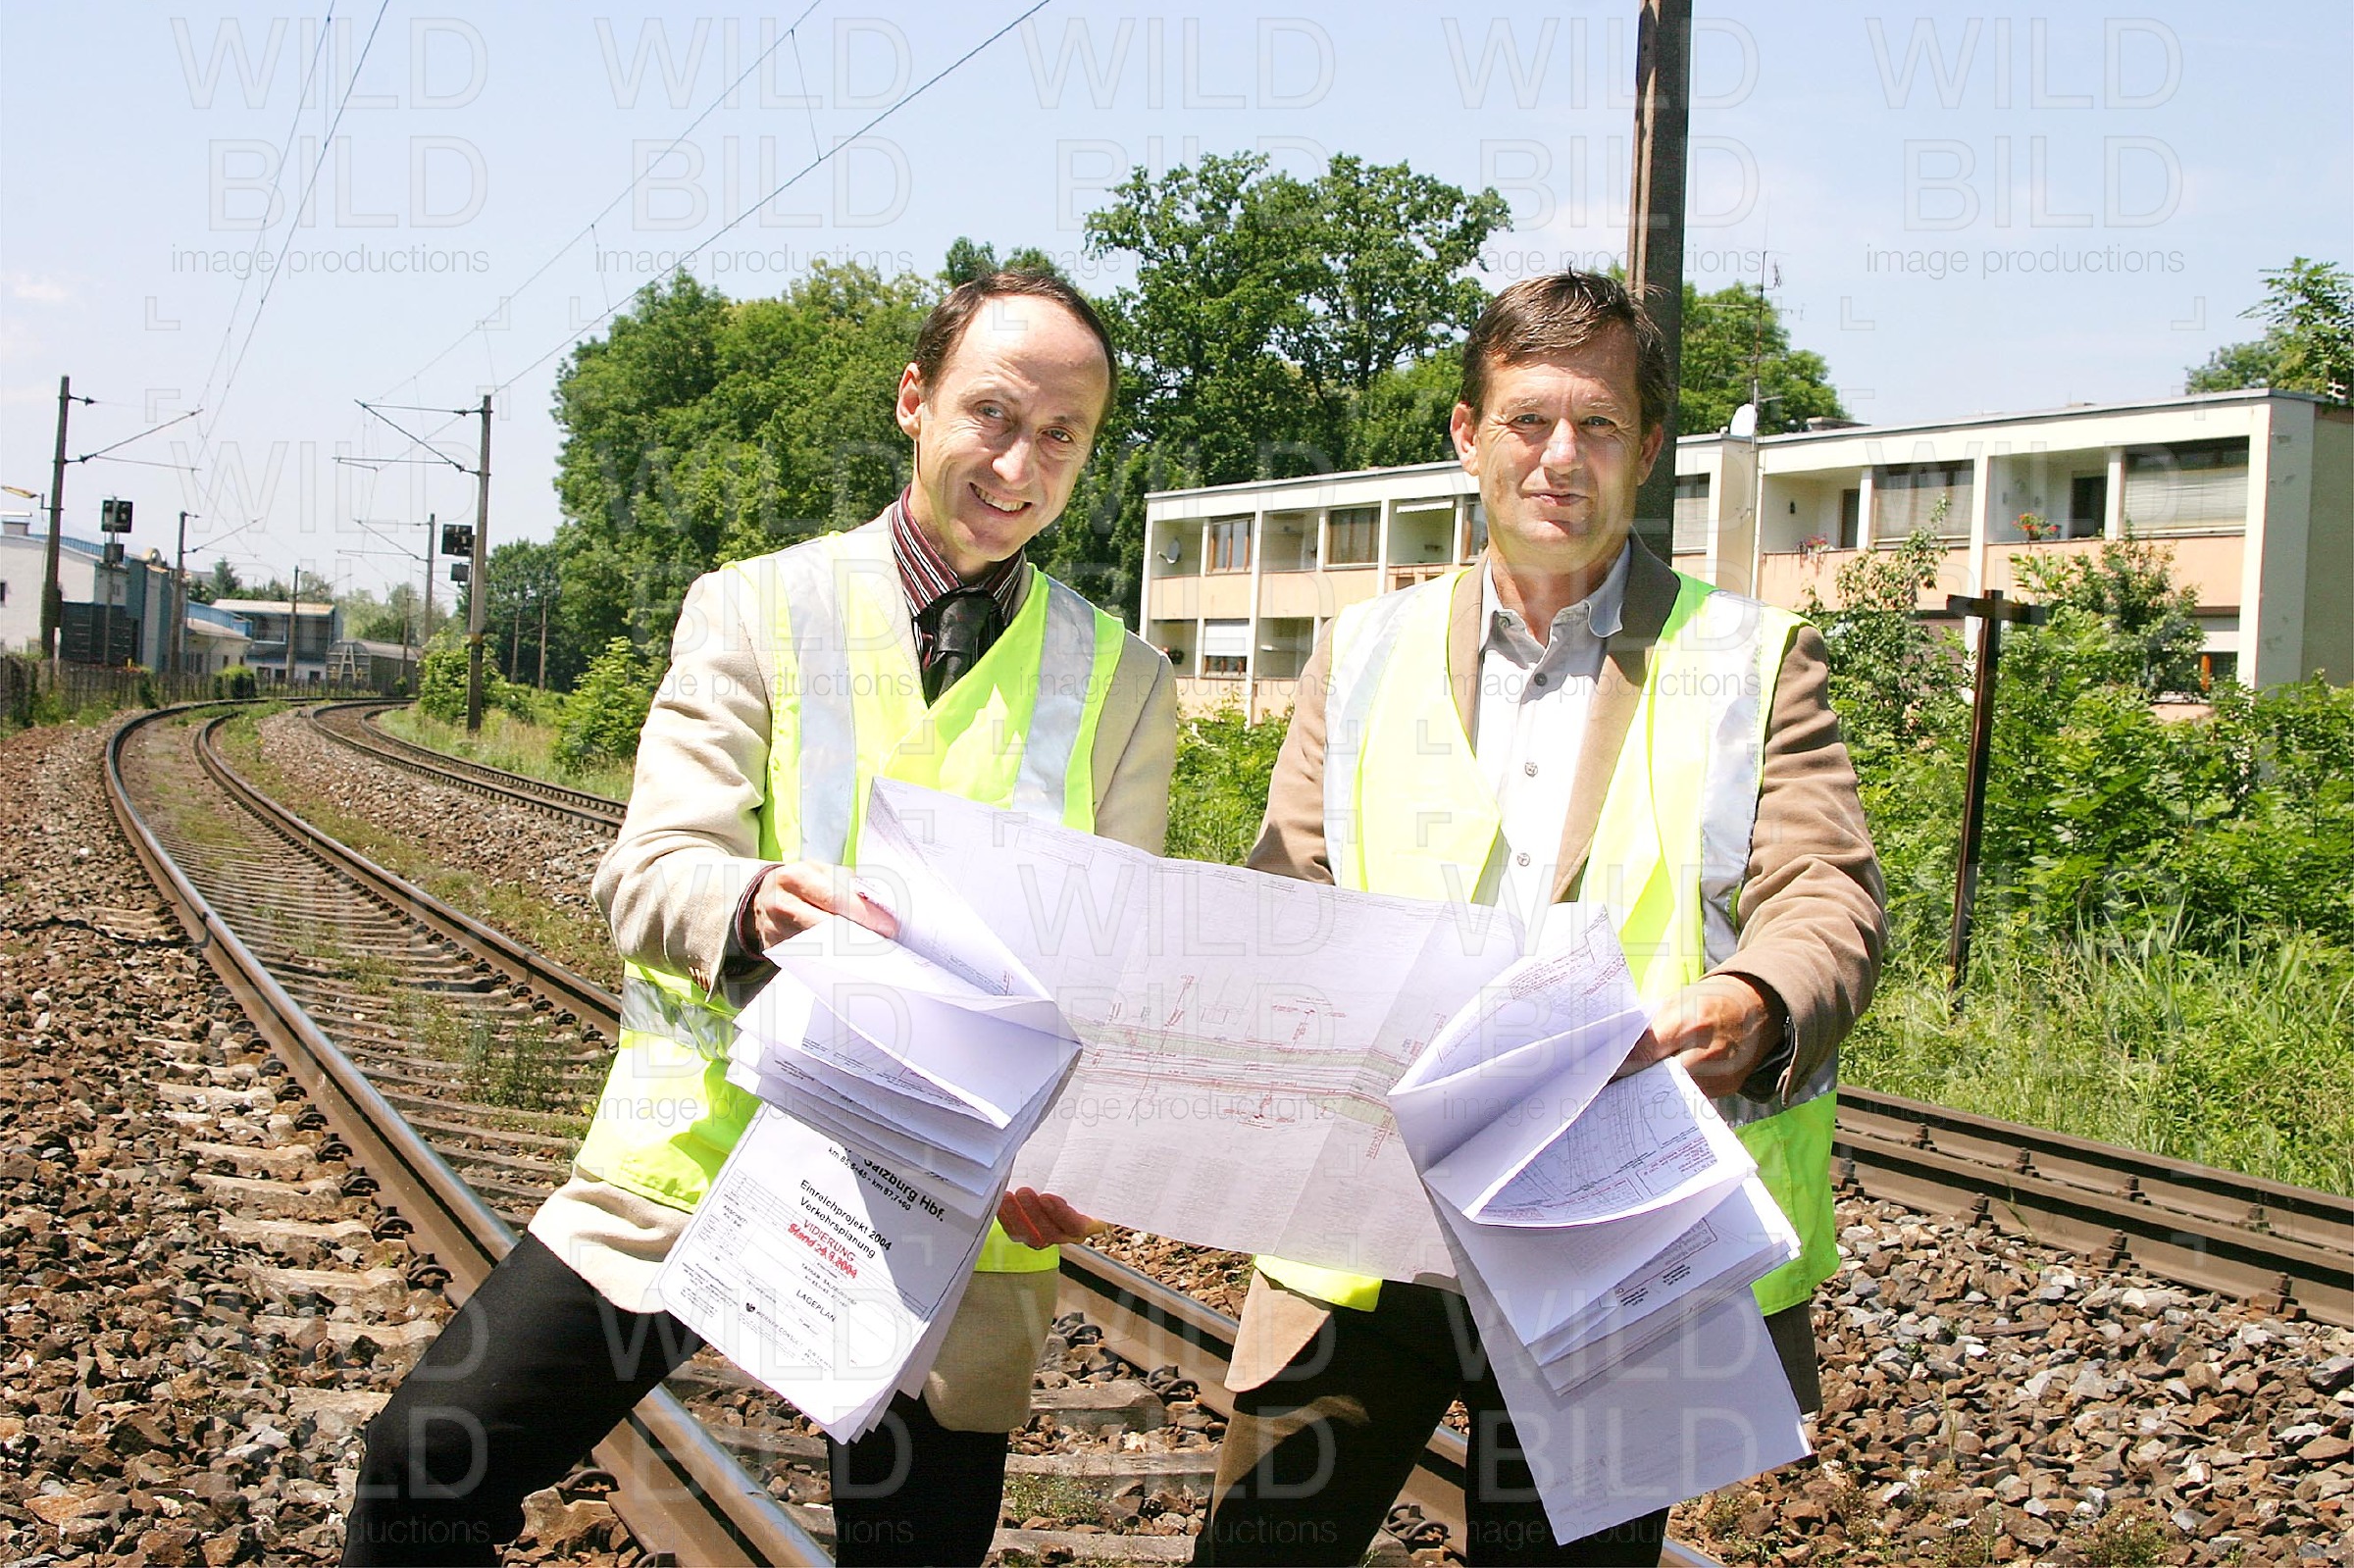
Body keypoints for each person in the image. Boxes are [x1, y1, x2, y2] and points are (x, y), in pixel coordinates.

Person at [343, 269, 1178, 1568]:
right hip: (704, 1157)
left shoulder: (1126, 683)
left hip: (948, 1210)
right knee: (423, 1468)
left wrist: (1083, 1150)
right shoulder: (756, 607)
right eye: (992, 414)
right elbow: (647, 872)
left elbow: (1113, 978)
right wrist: (750, 901)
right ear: (914, 401)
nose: (1021, 463)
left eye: (1062, 434)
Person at [1194, 272, 1886, 1567]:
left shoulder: (1753, 658)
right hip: (1366, 1234)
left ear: (1650, 447)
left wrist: (1757, 1002)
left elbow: (1826, 892)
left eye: (1599, 423)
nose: (1560, 455)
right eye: (1527, 419)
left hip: (1615, 1243)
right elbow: (1287, 897)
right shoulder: (1362, 649)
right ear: (1469, 434)